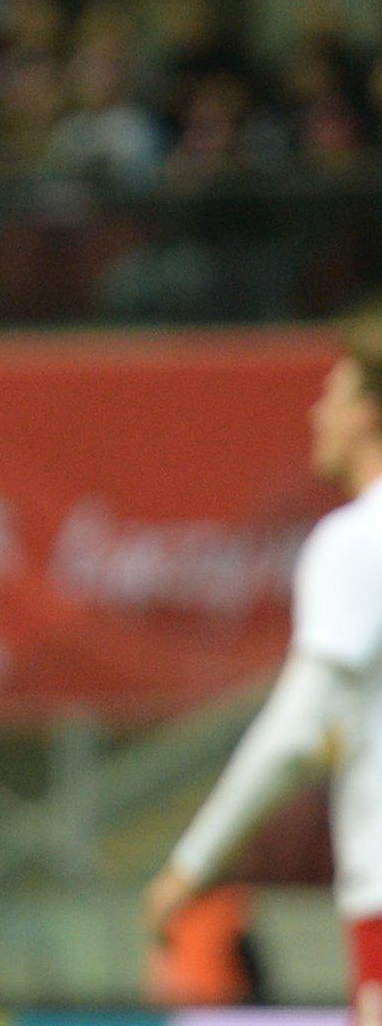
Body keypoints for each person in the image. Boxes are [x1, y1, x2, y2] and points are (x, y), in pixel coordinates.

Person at [143, 312, 382, 1019]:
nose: (317, 413)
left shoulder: (355, 542)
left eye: (333, 394)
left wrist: (190, 868)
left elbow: (297, 730)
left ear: (369, 411)